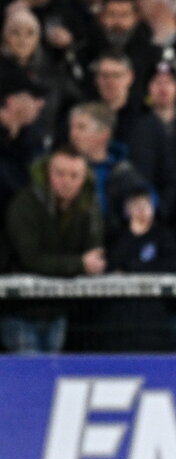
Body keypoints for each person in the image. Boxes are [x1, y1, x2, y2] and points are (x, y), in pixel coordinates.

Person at [3, 146, 104, 353]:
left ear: (83, 178)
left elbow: (94, 252)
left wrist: (86, 263)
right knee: (31, 378)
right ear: (48, 173)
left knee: (51, 374)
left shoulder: (87, 207)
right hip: (20, 310)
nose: (66, 181)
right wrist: (79, 264)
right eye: (60, 174)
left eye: (74, 175)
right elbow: (30, 259)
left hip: (58, 311)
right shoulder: (25, 205)